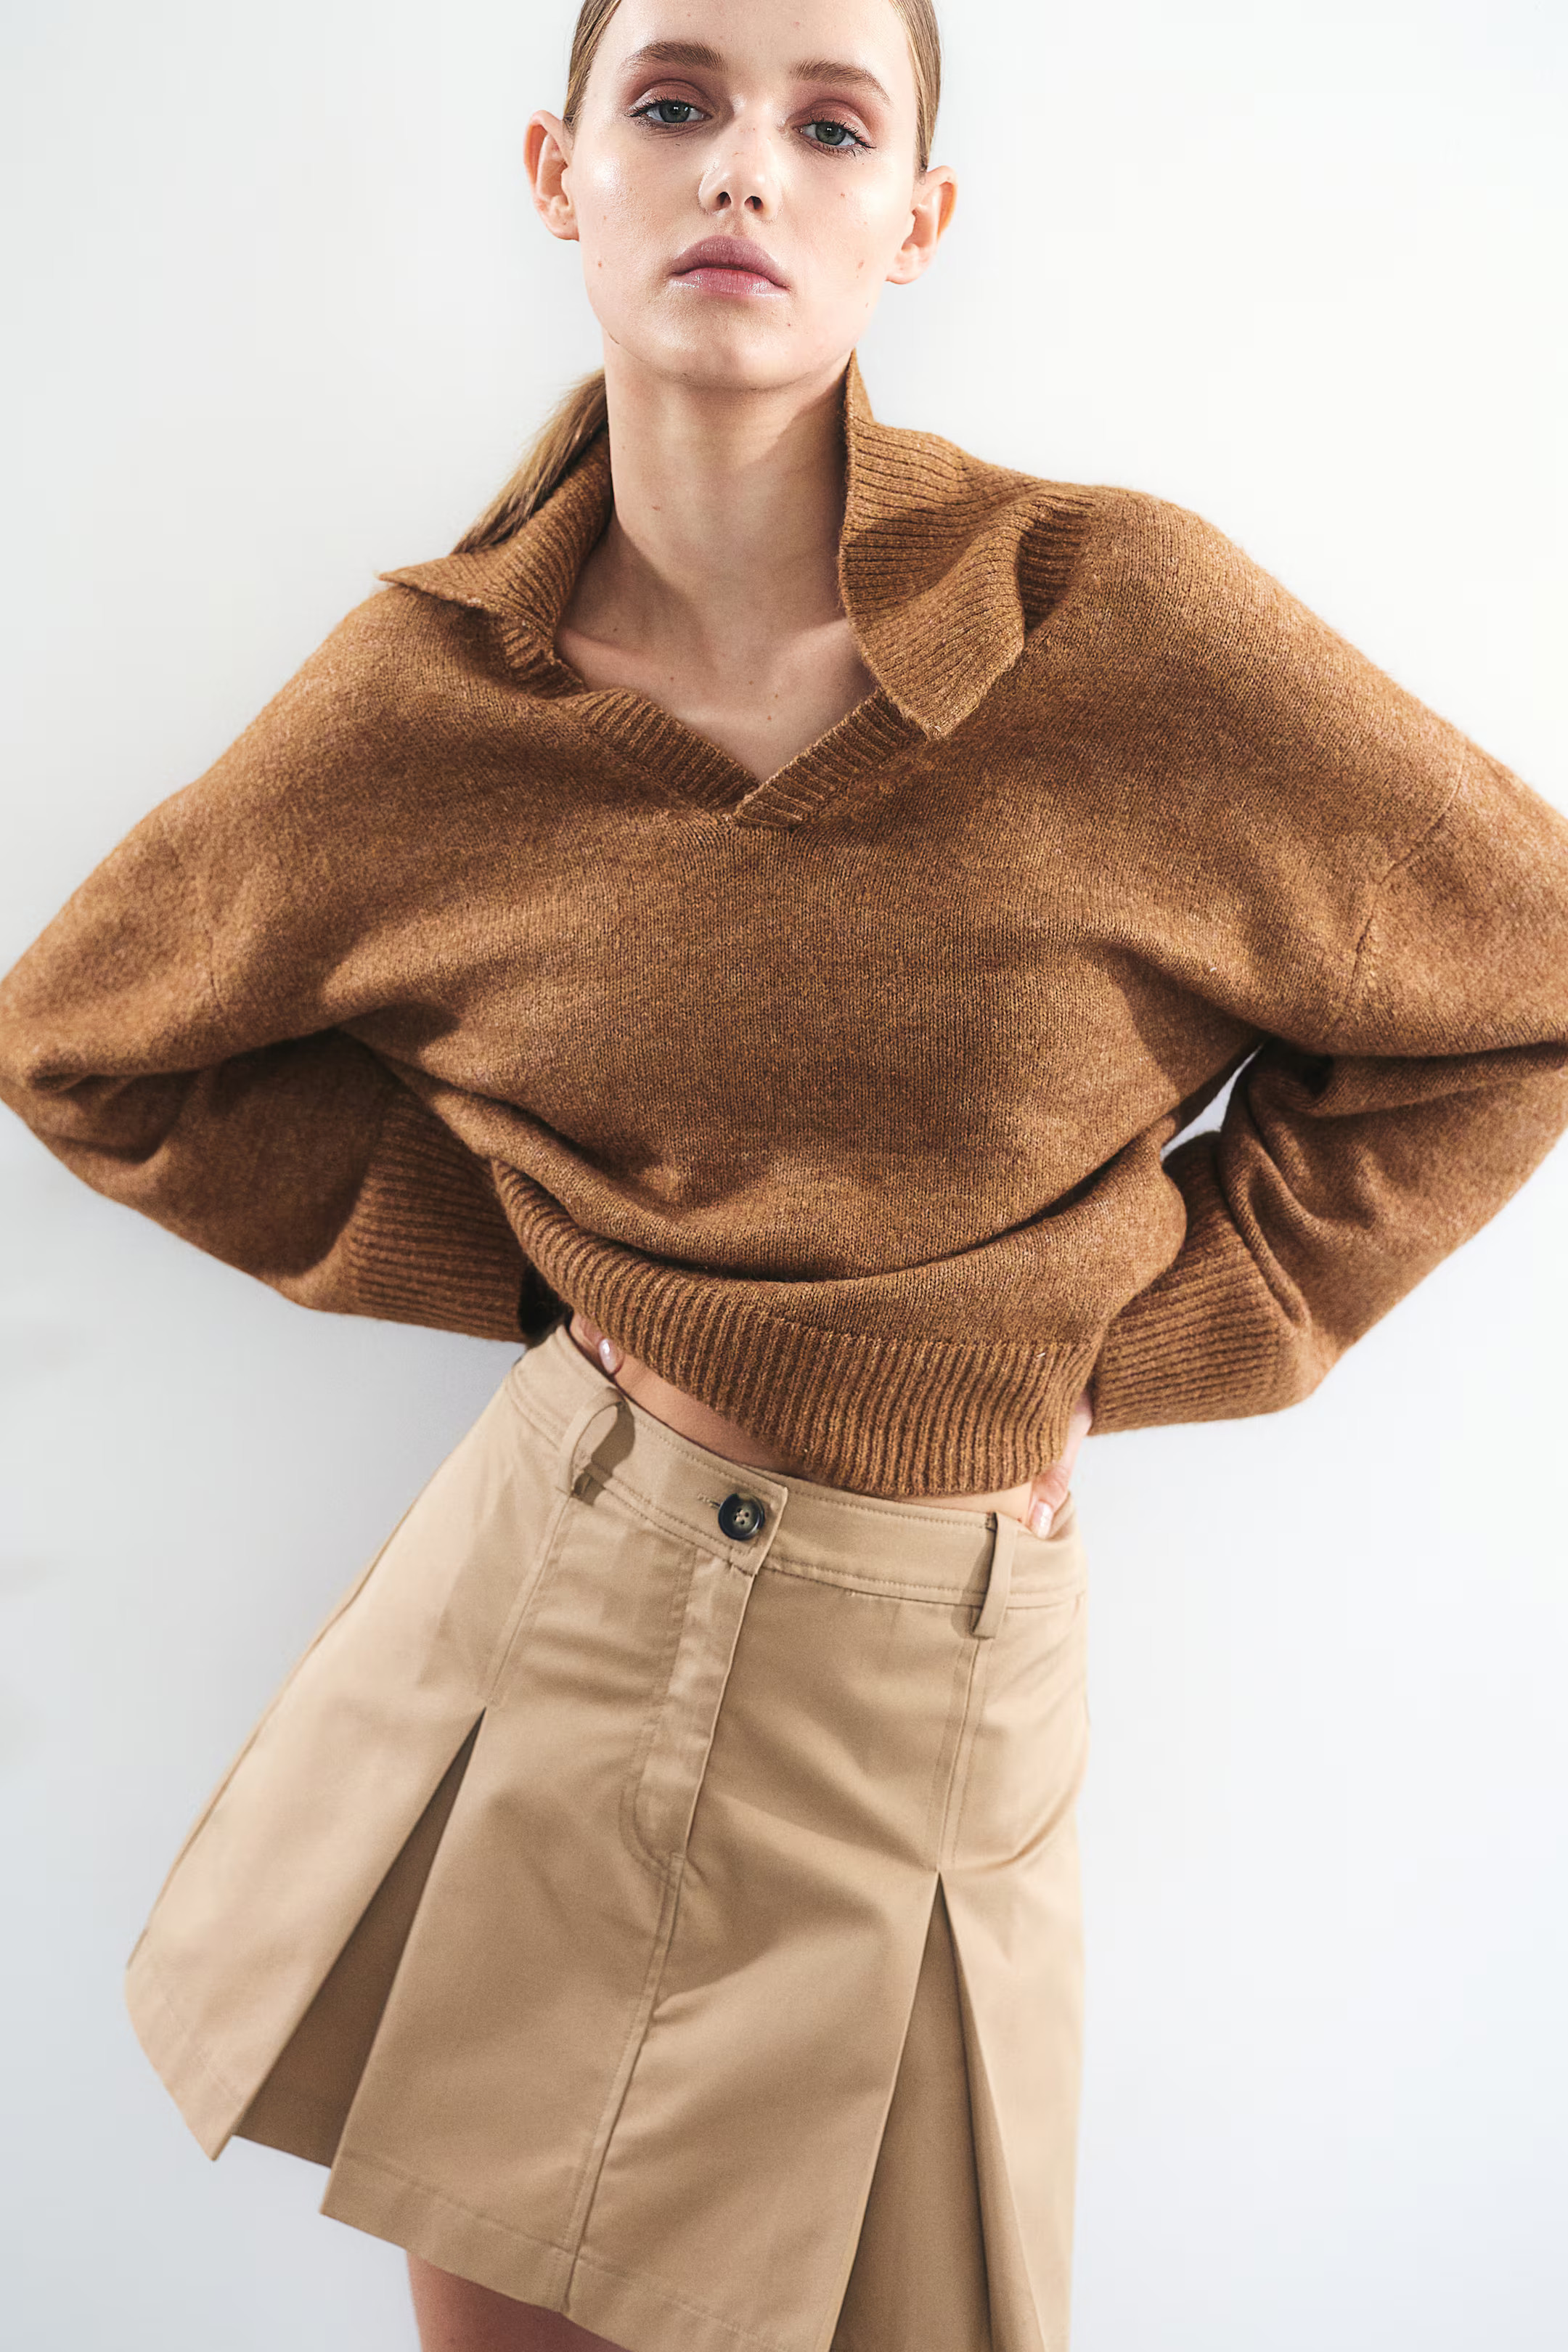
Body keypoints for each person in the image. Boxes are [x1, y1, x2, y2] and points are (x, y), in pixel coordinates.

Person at [2, 0, 1566, 2347]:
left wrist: (1145, 1339)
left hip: (927, 1668)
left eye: (831, 124)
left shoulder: (1113, 620)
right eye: (674, 102)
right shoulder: (427, 696)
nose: (744, 166)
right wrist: (524, 1268)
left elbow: (1528, 982)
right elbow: (86, 1042)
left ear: (914, 220)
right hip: (557, 1598)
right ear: (560, 172)